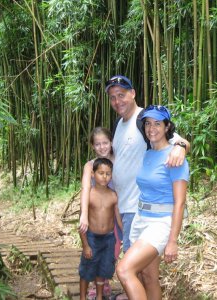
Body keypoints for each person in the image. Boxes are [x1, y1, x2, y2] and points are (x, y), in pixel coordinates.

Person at [79, 75, 190, 255]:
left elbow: (180, 141)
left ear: (132, 93)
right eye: (113, 97)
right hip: (120, 206)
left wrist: (181, 147)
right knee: (139, 270)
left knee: (128, 268)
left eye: (121, 95)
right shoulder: (118, 124)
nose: (117, 101)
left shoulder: (145, 120)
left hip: (137, 206)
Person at [116, 105, 189, 299]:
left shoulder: (175, 157)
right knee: (148, 277)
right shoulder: (148, 153)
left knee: (124, 270)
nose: (151, 128)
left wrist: (172, 241)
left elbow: (180, 203)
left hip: (161, 223)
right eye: (148, 123)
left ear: (167, 127)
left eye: (157, 123)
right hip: (141, 219)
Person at [78, 127, 119, 298]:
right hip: (95, 213)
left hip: (116, 209)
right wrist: (84, 215)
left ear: (111, 142)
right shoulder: (90, 166)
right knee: (92, 255)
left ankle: (103, 282)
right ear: (92, 146)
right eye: (97, 144)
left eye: (105, 143)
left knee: (111, 252)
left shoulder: (118, 160)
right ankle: (95, 286)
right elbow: (86, 188)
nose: (102, 147)